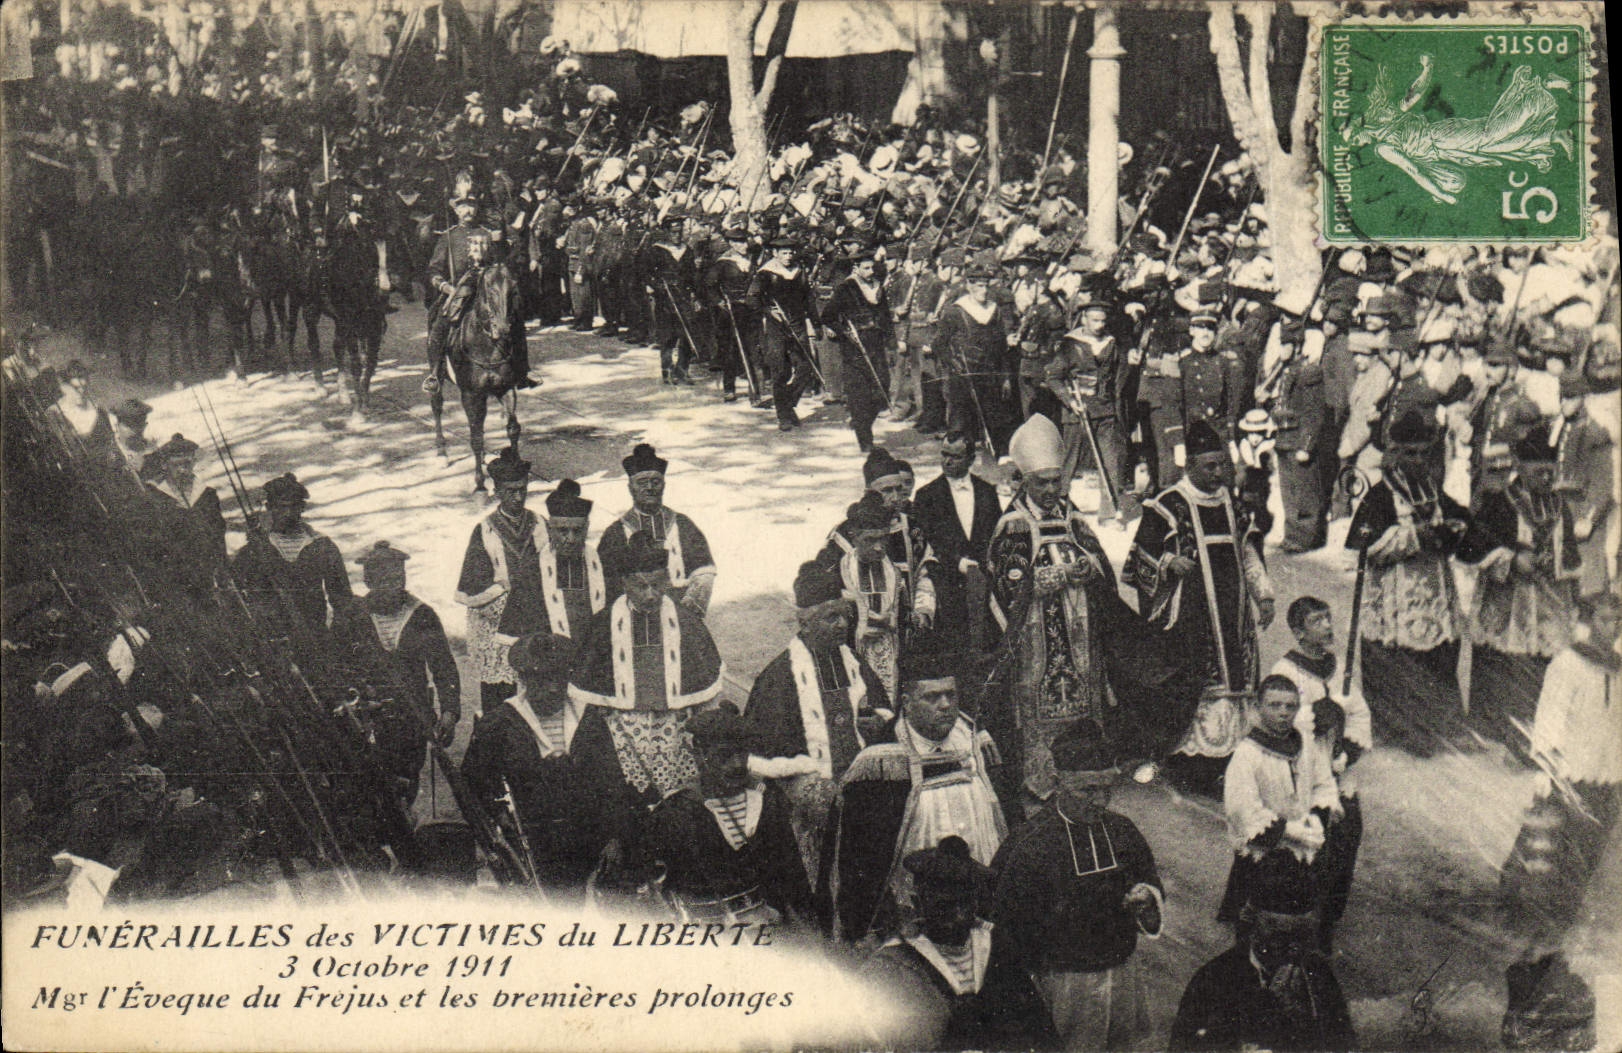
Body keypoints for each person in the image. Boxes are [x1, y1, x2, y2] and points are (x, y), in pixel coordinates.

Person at [987, 720, 1164, 1050]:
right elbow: (1007, 927)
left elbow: (1148, 877)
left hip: (1122, 972)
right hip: (1064, 984)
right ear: (1059, 782)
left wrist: (1147, 898)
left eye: (1106, 789)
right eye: (1087, 790)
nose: (1100, 801)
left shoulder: (1122, 830)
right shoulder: (1029, 844)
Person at [1126, 418, 1274, 797]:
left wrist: (1264, 595)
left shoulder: (1232, 503)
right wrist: (1167, 564)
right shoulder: (1167, 505)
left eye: (1222, 464)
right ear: (1189, 464)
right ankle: (1189, 765)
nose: (1219, 472)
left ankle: (1232, 762)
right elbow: (1137, 559)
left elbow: (1249, 553)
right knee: (1196, 692)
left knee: (1234, 689)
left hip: (1234, 617)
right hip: (1190, 620)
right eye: (1210, 466)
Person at [823, 648, 1007, 942]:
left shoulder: (974, 741)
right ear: (906, 703)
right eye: (931, 697)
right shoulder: (879, 762)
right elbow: (860, 858)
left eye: (950, 695)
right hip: (913, 913)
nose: (945, 705)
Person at [985, 414, 1118, 811]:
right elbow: (1008, 586)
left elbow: (1101, 565)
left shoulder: (1073, 517)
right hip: (1035, 642)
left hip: (1080, 641)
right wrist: (1059, 574)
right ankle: (1043, 779)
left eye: (1055, 481)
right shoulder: (1013, 525)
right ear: (1024, 481)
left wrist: (1088, 567)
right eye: (1041, 482)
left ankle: (1086, 773)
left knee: (1083, 704)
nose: (1049, 489)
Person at [567, 531, 725, 862]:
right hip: (622, 729)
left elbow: (706, 691)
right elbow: (584, 694)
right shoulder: (605, 623)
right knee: (627, 803)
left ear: (667, 579)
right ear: (624, 582)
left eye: (658, 584)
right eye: (641, 586)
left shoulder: (684, 620)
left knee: (677, 803)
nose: (651, 595)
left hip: (673, 726)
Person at [746, 560, 891, 883]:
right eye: (832, 617)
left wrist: (876, 725)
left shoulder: (854, 663)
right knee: (843, 813)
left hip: (856, 774)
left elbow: (881, 712)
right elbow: (773, 752)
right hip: (804, 778)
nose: (843, 625)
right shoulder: (780, 676)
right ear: (805, 622)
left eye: (846, 617)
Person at [1499, 591, 1622, 948]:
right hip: (1568, 776)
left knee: (1586, 851)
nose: (1612, 628)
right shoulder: (1568, 665)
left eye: (1618, 621)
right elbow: (1549, 718)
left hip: (1605, 775)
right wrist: (1550, 769)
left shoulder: (1617, 667)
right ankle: (1516, 913)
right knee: (1544, 848)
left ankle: (1559, 919)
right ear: (1587, 622)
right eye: (1604, 619)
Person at [1345, 409, 1470, 755]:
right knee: (1402, 661)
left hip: (1434, 589)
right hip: (1395, 597)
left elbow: (1457, 514)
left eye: (1424, 453)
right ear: (1396, 452)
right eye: (1410, 453)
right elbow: (1364, 548)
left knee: (1439, 654)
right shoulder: (1381, 495)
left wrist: (1458, 525)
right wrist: (1417, 536)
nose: (1418, 460)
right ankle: (1403, 731)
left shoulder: (1431, 487)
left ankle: (1439, 725)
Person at [861, 836, 1053, 1052]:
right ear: (918, 903)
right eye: (944, 906)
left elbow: (1038, 1030)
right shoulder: (893, 966)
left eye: (963, 904)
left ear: (975, 903)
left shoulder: (997, 951)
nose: (957, 917)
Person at [1457, 424, 1578, 758]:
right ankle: (1490, 731)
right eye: (1537, 470)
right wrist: (1510, 558)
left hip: (1547, 604)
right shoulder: (1501, 503)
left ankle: (1533, 735)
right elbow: (1469, 548)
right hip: (1505, 604)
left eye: (1550, 471)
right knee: (1499, 665)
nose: (1544, 477)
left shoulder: (1558, 505)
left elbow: (1569, 555)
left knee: (1541, 669)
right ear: (1520, 467)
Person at [460, 631, 602, 895]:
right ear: (524, 679)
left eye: (557, 678)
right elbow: (472, 783)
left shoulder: (589, 719)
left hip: (584, 841)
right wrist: (497, 818)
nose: (551, 688)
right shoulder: (500, 723)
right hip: (529, 842)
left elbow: (610, 781)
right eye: (540, 680)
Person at [1170, 853, 1356, 1052]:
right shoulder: (1213, 979)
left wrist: (1298, 1016)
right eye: (1273, 930)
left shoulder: (1317, 977)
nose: (1285, 946)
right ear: (1252, 920)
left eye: (1297, 934)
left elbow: (1344, 1045)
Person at [648, 703, 813, 926]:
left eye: (742, 754)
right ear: (699, 754)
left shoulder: (767, 801)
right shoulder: (677, 811)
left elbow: (791, 878)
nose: (737, 765)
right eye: (724, 755)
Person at [1269, 596, 1370, 950]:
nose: (1328, 626)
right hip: (1301, 777)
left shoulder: (1336, 666)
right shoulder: (1286, 671)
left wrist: (1349, 747)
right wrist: (1314, 717)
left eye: (1328, 618)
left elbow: (1358, 711)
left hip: (1337, 772)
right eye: (1317, 621)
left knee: (1346, 839)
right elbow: (1279, 720)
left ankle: (1327, 920)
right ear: (1298, 632)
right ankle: (1293, 922)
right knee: (1306, 849)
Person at [332, 540, 461, 806]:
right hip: (365, 719)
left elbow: (444, 667)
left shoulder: (422, 615)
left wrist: (449, 712)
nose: (393, 585)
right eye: (384, 579)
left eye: (398, 577)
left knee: (405, 786)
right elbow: (334, 669)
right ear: (368, 581)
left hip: (411, 717)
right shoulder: (351, 617)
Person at [1219, 675, 1340, 929]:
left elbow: (1323, 782)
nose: (1283, 713)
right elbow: (1242, 810)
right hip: (1264, 856)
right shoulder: (1248, 754)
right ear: (1257, 707)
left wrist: (1316, 817)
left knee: (1299, 923)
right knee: (1257, 927)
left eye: (1290, 706)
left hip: (1303, 850)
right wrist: (1290, 832)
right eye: (1274, 705)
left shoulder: (1305, 744)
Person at [455, 447, 552, 712]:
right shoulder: (485, 530)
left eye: (522, 490)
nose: (517, 497)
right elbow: (475, 589)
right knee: (500, 700)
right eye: (510, 491)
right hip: (496, 627)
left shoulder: (540, 524)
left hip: (534, 621)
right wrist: (512, 606)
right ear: (497, 492)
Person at [817, 490, 934, 705]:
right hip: (851, 657)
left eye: (883, 539)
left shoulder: (894, 570)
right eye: (870, 540)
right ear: (854, 536)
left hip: (895, 656)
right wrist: (860, 625)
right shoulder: (838, 570)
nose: (879, 547)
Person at [231, 472, 352, 646]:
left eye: (293, 507)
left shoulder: (322, 547)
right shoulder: (253, 550)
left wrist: (338, 636)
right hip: (271, 642)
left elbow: (342, 598)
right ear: (269, 508)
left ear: (302, 508)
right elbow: (237, 596)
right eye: (280, 507)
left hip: (315, 636)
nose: (287, 513)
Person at [597, 443, 717, 615]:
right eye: (642, 482)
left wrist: (687, 613)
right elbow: (606, 581)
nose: (650, 488)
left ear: (664, 485)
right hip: (632, 614)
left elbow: (704, 572)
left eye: (655, 482)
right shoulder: (616, 533)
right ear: (630, 488)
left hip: (680, 610)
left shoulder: (682, 524)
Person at [910, 432, 1003, 653]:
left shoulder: (986, 492)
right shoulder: (926, 495)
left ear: (971, 459)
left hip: (984, 581)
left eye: (956, 456)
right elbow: (927, 541)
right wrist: (957, 562)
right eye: (944, 454)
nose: (947, 461)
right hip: (947, 584)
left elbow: (996, 533)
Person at [937, 258, 1017, 457]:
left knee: (994, 416)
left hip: (990, 373)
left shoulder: (994, 310)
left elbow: (1002, 347)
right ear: (969, 286)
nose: (984, 290)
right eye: (979, 286)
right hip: (963, 374)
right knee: (961, 419)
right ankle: (958, 457)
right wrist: (952, 363)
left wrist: (1005, 376)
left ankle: (995, 457)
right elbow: (938, 344)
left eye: (986, 285)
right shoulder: (955, 311)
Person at [822, 246, 897, 453]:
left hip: (876, 345)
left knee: (882, 389)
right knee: (860, 395)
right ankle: (865, 438)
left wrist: (891, 342)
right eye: (866, 268)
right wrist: (844, 331)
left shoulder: (877, 287)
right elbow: (827, 316)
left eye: (872, 267)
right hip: (855, 348)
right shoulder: (846, 288)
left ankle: (860, 420)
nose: (871, 272)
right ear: (855, 268)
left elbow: (886, 317)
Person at [1553, 370, 1616, 595]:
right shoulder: (1561, 427)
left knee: (1590, 582)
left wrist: (1589, 519)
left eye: (1570, 397)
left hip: (1583, 510)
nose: (1564, 403)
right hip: (1563, 512)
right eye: (1562, 397)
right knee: (1563, 577)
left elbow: (1603, 483)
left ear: (1583, 397)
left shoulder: (1595, 433)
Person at [748, 236, 819, 432]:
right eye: (784, 253)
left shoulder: (799, 271)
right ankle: (783, 416)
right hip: (776, 327)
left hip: (797, 325)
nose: (788, 257)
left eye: (790, 253)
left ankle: (786, 404)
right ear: (775, 254)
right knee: (780, 371)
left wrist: (816, 323)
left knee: (806, 367)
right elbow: (752, 298)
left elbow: (808, 300)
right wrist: (768, 310)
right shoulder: (765, 273)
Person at [538, 479, 606, 641]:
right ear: (550, 529)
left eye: (577, 531)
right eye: (563, 531)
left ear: (587, 527)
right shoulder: (532, 570)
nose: (571, 539)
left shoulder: (603, 565)